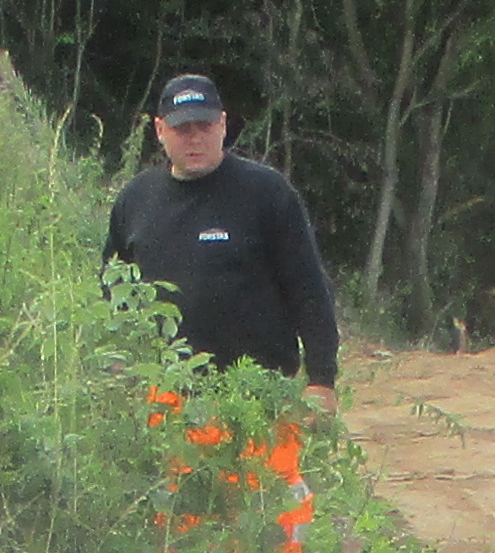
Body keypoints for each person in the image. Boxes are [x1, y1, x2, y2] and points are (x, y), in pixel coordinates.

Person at [102, 74, 337, 395]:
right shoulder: (135, 200)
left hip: (258, 396)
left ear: (223, 125)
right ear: (159, 130)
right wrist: (117, 374)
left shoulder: (267, 192)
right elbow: (113, 293)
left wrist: (321, 380)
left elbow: (309, 291)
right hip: (165, 396)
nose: (195, 138)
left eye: (205, 127)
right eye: (183, 129)